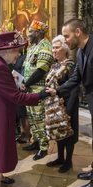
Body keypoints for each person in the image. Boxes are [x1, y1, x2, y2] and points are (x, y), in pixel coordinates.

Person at [0, 31, 53, 187]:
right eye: (17, 51)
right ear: (7, 51)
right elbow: (16, 97)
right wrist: (40, 95)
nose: (18, 55)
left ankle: (0, 177)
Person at [49, 18, 93, 187]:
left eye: (66, 36)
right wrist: (56, 91)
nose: (65, 40)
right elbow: (76, 78)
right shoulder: (81, 52)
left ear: (78, 32)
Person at [45, 35, 79, 173]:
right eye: (53, 47)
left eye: (57, 47)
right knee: (58, 133)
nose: (54, 50)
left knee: (69, 135)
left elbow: (74, 88)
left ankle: (68, 161)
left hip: (67, 105)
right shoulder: (55, 65)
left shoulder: (70, 65)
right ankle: (60, 158)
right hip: (55, 106)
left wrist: (68, 111)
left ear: (64, 49)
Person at [22, 20, 54, 160]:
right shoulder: (33, 47)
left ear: (39, 32)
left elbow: (41, 70)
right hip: (30, 90)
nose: (28, 34)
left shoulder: (45, 46)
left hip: (38, 89)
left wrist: (25, 83)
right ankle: (36, 141)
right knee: (32, 119)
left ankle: (44, 147)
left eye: (31, 31)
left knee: (40, 119)